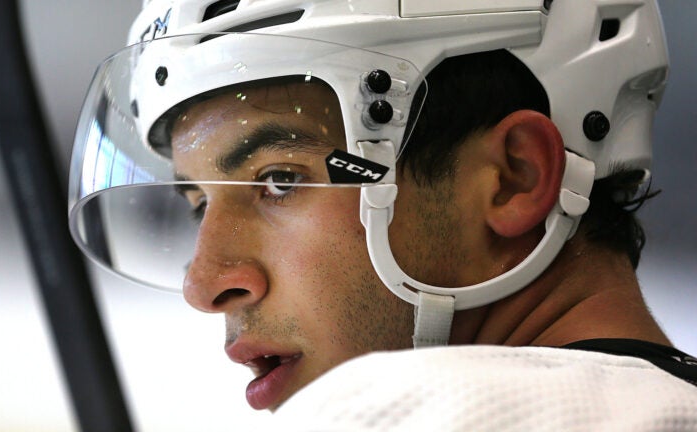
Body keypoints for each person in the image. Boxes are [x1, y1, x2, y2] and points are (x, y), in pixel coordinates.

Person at [68, 0, 697, 428]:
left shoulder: (402, 413)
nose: (205, 283)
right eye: (198, 204)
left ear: (513, 179)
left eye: (280, 181)